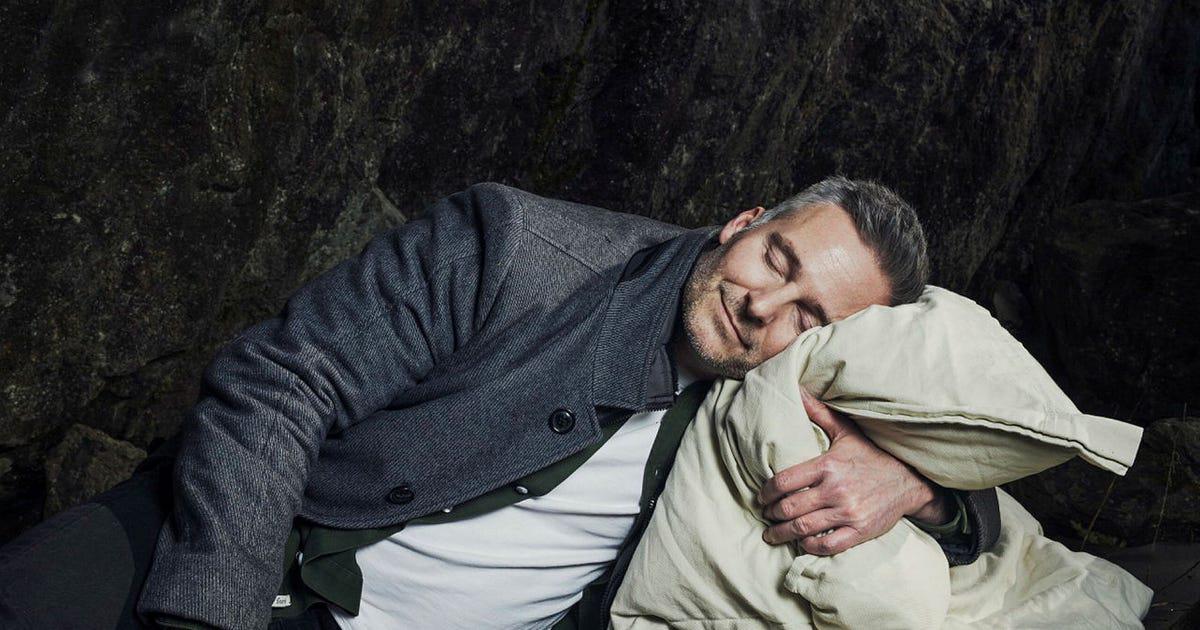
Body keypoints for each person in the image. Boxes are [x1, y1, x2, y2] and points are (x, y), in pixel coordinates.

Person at [0, 177, 999, 629]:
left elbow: (992, 512)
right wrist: (217, 611)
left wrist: (916, 487)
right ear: (743, 223)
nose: (763, 308)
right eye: (776, 260)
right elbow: (281, 382)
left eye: (809, 316)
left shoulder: (786, 409)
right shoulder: (518, 249)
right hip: (248, 540)